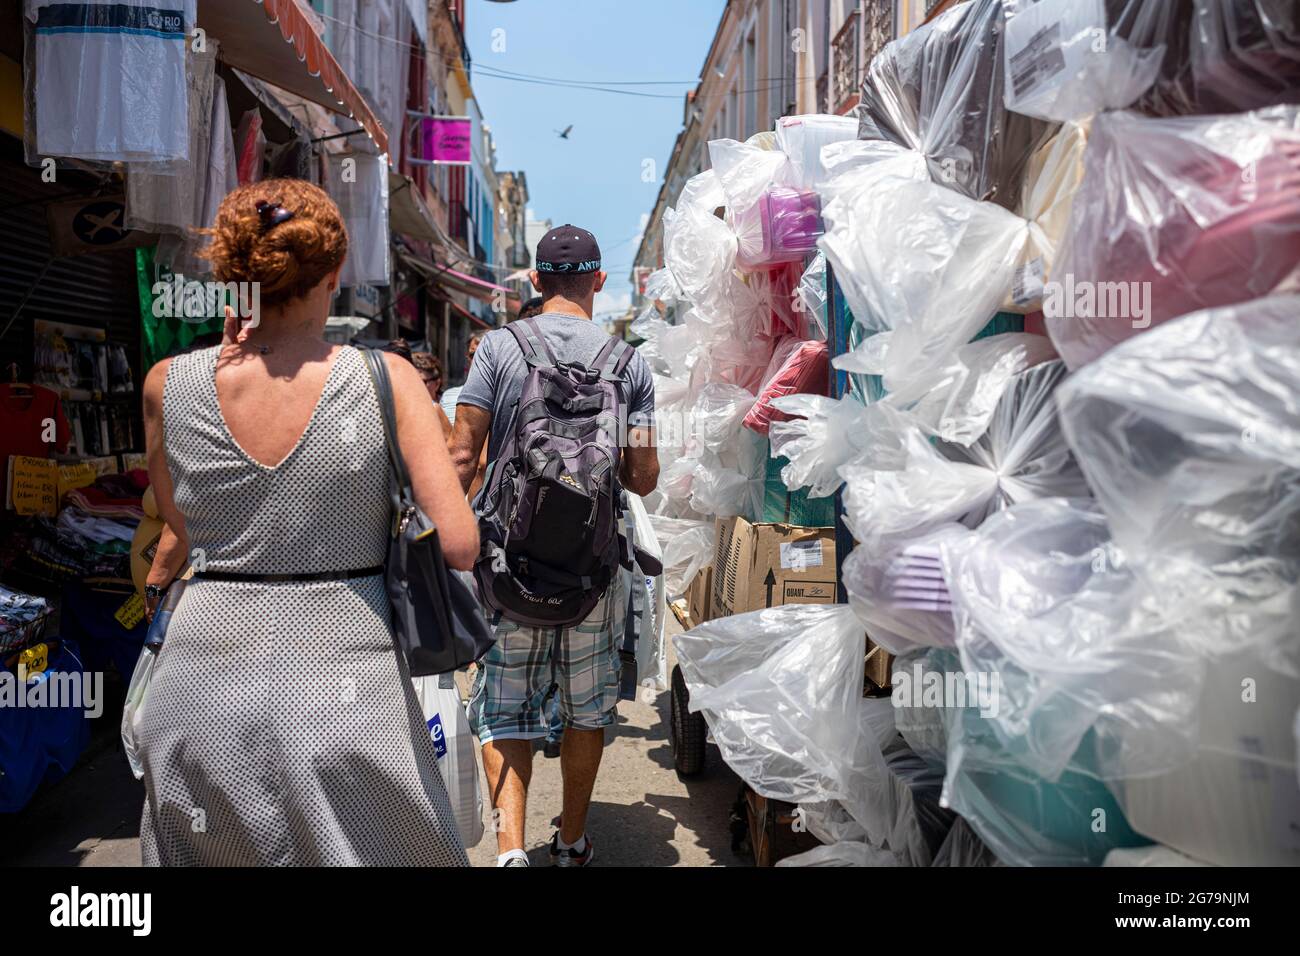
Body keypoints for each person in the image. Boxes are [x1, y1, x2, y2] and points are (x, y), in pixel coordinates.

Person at [138, 178, 478, 866]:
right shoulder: (386, 378)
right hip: (345, 677)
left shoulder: (167, 382)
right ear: (334, 273)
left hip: (199, 678)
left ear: (235, 276)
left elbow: (180, 520)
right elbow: (461, 543)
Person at [449, 224, 659, 867]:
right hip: (592, 569)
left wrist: (445, 538)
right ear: (600, 280)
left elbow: (461, 455)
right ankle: (570, 840)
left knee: (505, 706)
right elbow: (643, 476)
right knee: (587, 709)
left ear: (536, 282)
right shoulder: (629, 364)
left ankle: (511, 851)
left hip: (508, 564)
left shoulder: (497, 350)